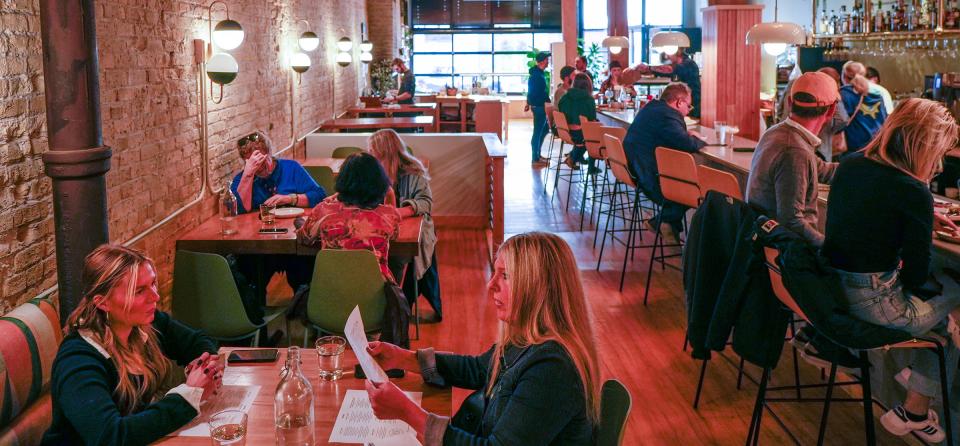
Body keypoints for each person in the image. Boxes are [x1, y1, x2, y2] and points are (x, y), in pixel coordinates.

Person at [363, 232, 600, 445]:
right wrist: (402, 358)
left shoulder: (552, 370)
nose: (490, 285)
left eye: (505, 276)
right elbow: (477, 368)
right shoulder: (529, 339)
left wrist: (408, 412)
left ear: (538, 289)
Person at [821, 98, 960, 443]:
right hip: (877, 305)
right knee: (955, 301)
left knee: (942, 327)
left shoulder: (851, 164)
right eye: (939, 151)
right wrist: (921, 221)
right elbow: (915, 276)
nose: (940, 162)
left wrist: (922, 224)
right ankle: (917, 397)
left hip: (834, 293)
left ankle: (913, 403)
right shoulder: (912, 190)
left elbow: (869, 222)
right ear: (924, 145)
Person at [43, 245, 222, 445]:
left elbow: (197, 341)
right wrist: (188, 396)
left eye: (153, 283)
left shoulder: (146, 324)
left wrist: (202, 366)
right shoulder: (78, 360)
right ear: (103, 303)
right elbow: (110, 436)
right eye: (139, 291)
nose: (155, 296)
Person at [230, 131, 326, 317]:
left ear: (269, 154)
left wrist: (290, 198)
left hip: (294, 243)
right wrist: (249, 175)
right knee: (247, 271)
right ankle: (256, 321)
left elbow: (319, 196)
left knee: (306, 269)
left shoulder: (291, 168)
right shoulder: (243, 178)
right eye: (252, 162)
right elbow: (240, 209)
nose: (261, 168)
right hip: (260, 246)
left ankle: (309, 314)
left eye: (262, 160)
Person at [746, 71, 839, 247]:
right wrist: (829, 249)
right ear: (832, 110)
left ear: (789, 102)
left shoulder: (777, 132)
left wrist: (862, 166)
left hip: (765, 240)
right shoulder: (795, 150)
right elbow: (791, 221)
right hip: (787, 254)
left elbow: (820, 169)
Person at [368, 129, 442, 320]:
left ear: (386, 153)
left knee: (397, 257)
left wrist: (401, 211)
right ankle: (371, 300)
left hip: (411, 228)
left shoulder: (413, 171)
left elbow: (426, 202)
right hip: (381, 229)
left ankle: (395, 304)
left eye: (374, 153)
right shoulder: (374, 174)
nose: (372, 157)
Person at [298, 152, 401, 283]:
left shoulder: (324, 210)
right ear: (379, 182)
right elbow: (395, 235)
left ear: (342, 180)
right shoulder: (388, 215)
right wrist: (390, 194)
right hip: (374, 292)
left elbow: (304, 238)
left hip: (331, 290)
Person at [623, 82, 705, 239]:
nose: (688, 111)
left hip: (635, 169)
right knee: (700, 190)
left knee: (689, 186)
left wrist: (684, 133)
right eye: (688, 106)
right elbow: (686, 144)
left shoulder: (652, 108)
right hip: (649, 177)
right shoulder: (668, 115)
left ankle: (665, 224)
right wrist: (699, 140)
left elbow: (670, 135)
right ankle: (663, 223)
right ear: (679, 102)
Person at [779, 67, 850, 161]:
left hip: (783, 139)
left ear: (790, 103)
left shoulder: (794, 85)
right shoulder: (831, 100)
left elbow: (779, 110)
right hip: (820, 150)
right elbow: (843, 120)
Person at [627, 48, 702, 118]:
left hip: (693, 107)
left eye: (669, 53)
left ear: (678, 52)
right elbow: (664, 72)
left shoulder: (688, 64)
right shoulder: (679, 66)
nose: (667, 56)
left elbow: (668, 70)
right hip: (682, 105)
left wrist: (648, 68)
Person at [840, 61, 888, 157]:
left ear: (844, 76)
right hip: (875, 148)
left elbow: (840, 121)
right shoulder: (878, 95)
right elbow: (885, 121)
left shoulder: (844, 94)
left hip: (853, 148)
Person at [559, 73, 598, 170]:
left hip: (565, 131)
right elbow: (592, 120)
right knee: (596, 136)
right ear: (588, 85)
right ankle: (590, 166)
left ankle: (573, 157)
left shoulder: (564, 97)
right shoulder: (589, 100)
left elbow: (561, 112)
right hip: (580, 134)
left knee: (589, 134)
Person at [526, 52, 551, 166]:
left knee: (544, 129)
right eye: (547, 59)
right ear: (541, 61)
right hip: (539, 107)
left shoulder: (538, 73)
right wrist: (547, 103)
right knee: (537, 132)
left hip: (538, 106)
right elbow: (537, 92)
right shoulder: (537, 75)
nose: (548, 61)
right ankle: (535, 158)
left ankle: (537, 155)